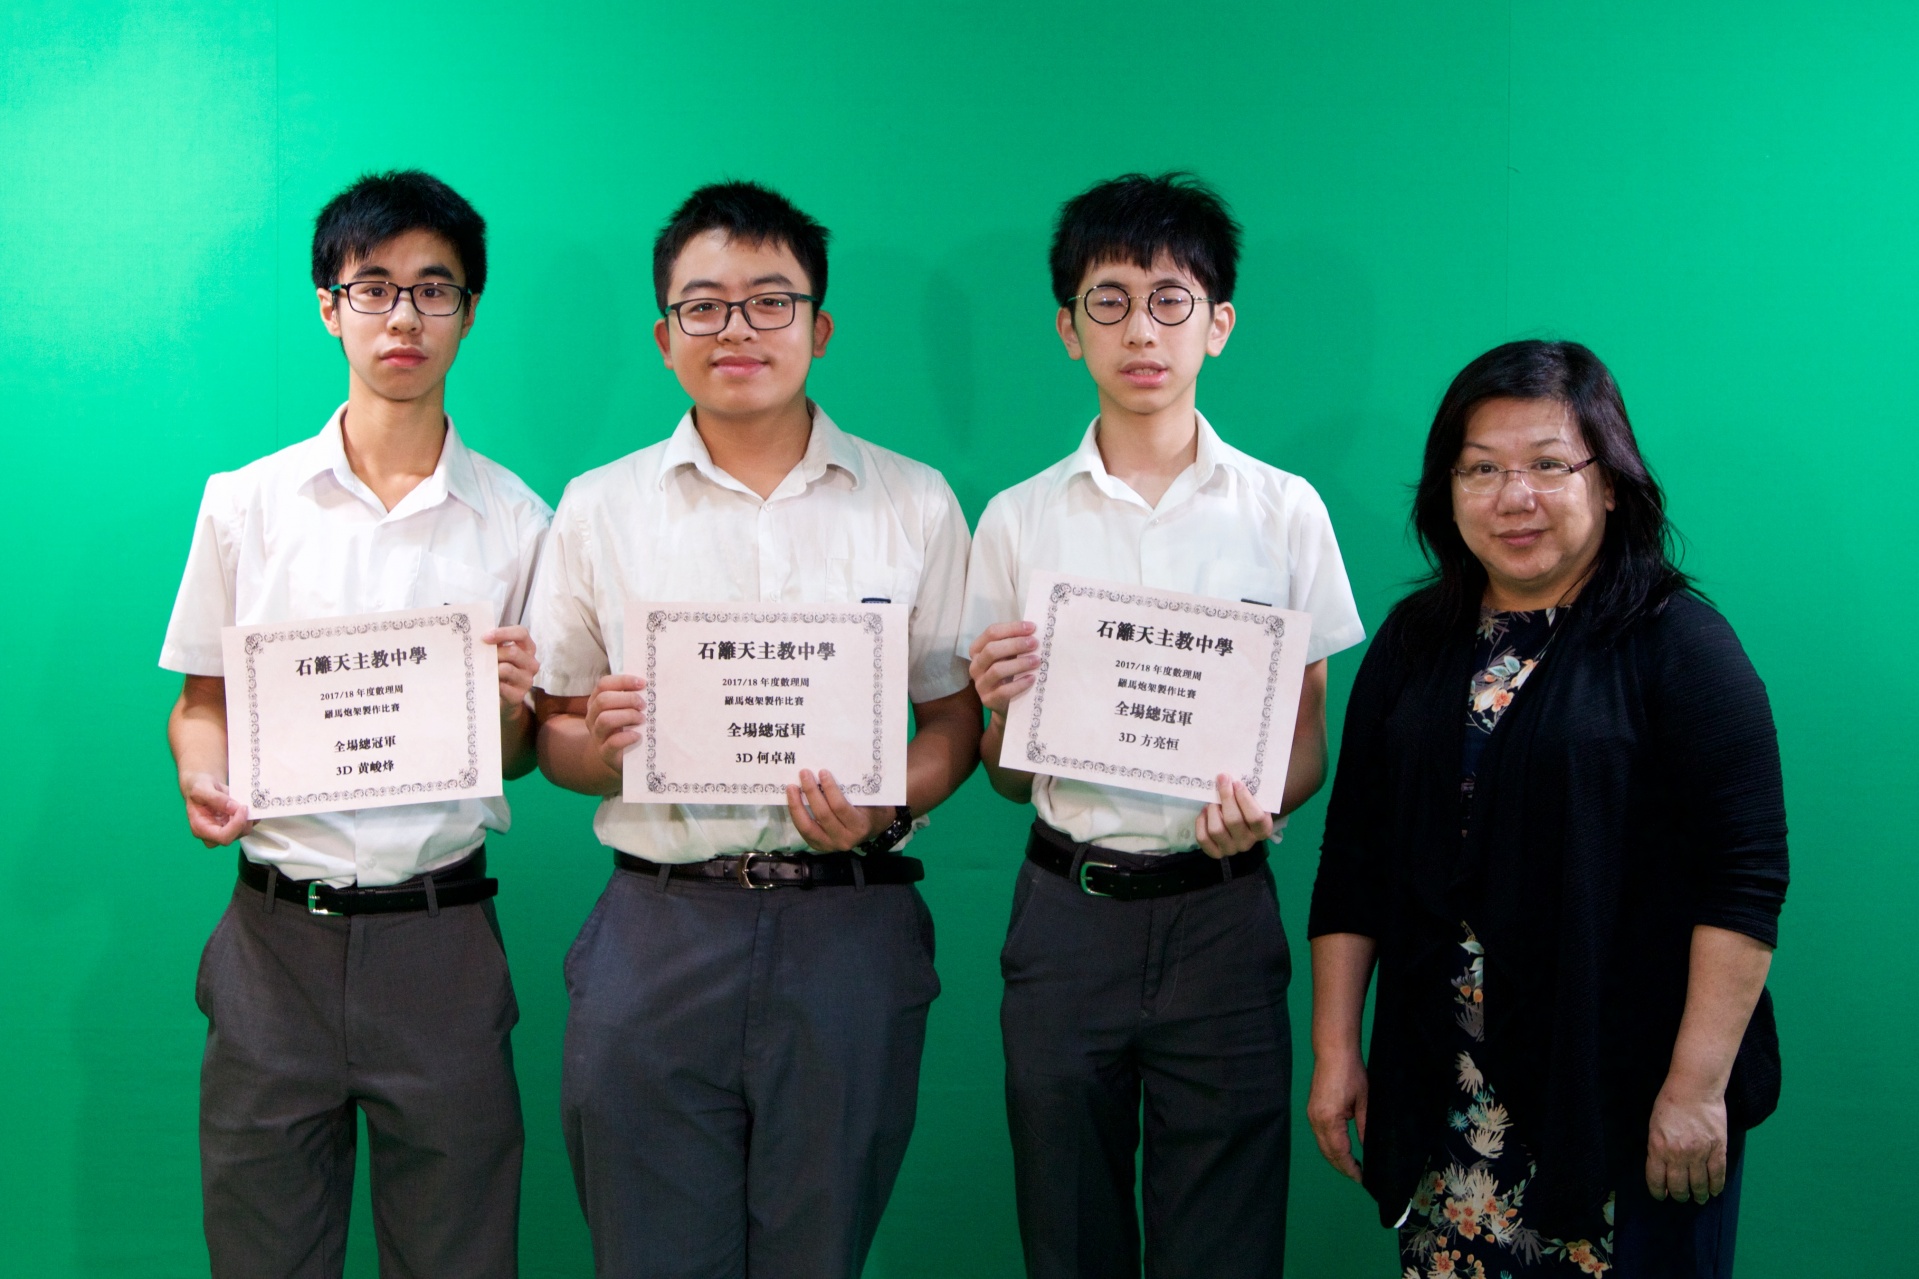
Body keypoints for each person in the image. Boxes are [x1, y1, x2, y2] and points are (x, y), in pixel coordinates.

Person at [525, 180, 981, 1278]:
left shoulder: (914, 501)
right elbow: (552, 736)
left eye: (771, 301)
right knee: (649, 1253)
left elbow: (954, 717)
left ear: (819, 329)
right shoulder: (597, 507)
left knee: (817, 1251)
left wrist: (886, 802)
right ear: (663, 337)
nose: (737, 328)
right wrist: (605, 747)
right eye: (704, 305)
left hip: (848, 927)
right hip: (659, 924)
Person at [1306, 340, 1788, 1278]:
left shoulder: (1680, 643)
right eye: (1480, 469)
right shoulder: (1413, 642)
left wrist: (1695, 1087)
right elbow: (1352, 859)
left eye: (1546, 465)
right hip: (1447, 1098)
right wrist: (1335, 1050)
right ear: (1447, 491)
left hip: (1627, 1098)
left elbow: (1743, 879)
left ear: (1608, 482)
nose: (1512, 496)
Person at [961, 172, 1366, 1279]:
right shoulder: (1015, 519)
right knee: (1067, 1230)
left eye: (1170, 300)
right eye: (1109, 301)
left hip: (1220, 911)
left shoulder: (1284, 512)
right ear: (1068, 328)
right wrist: (999, 711)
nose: (1140, 330)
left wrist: (1260, 806)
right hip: (1066, 912)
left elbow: (1306, 742)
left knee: (1223, 1242)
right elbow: (1005, 775)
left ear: (1217, 324)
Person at [159, 169, 550, 1278]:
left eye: (434, 289)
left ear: (469, 311)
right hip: (274, 934)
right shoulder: (244, 503)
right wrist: (201, 778)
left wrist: (508, 708)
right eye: (373, 287)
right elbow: (200, 705)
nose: (403, 316)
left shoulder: (521, 521)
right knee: (262, 1253)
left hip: (440, 935)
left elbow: (520, 755)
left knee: (458, 1254)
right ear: (328, 306)